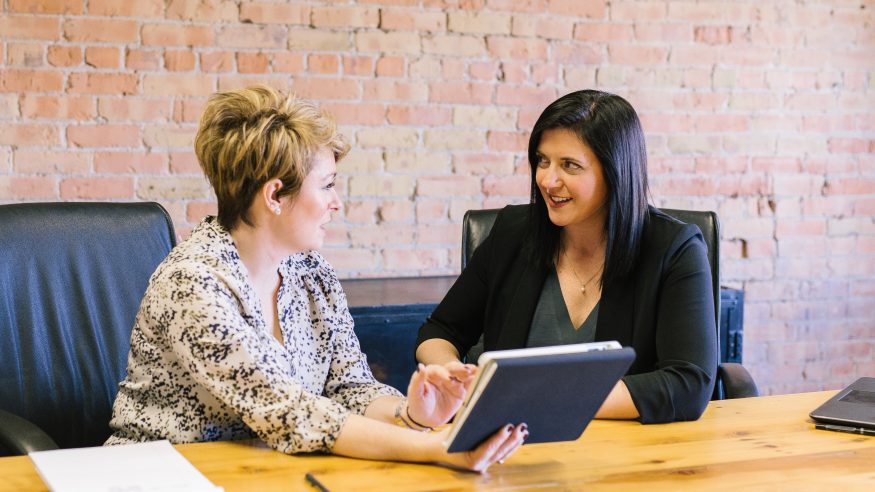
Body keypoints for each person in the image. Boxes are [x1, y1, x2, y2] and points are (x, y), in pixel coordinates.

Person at [105, 86, 527, 471]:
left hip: (266, 472)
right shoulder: (193, 283)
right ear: (274, 195)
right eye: (326, 186)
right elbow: (289, 412)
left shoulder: (311, 272)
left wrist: (413, 415)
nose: (336, 203)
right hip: (161, 474)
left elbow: (350, 387)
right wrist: (438, 448)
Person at [415, 90, 718, 424]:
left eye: (570, 165)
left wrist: (541, 399)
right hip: (509, 445)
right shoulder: (514, 232)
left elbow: (689, 383)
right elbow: (440, 330)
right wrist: (451, 375)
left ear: (615, 171)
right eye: (543, 161)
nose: (547, 180)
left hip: (626, 451)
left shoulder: (675, 249)